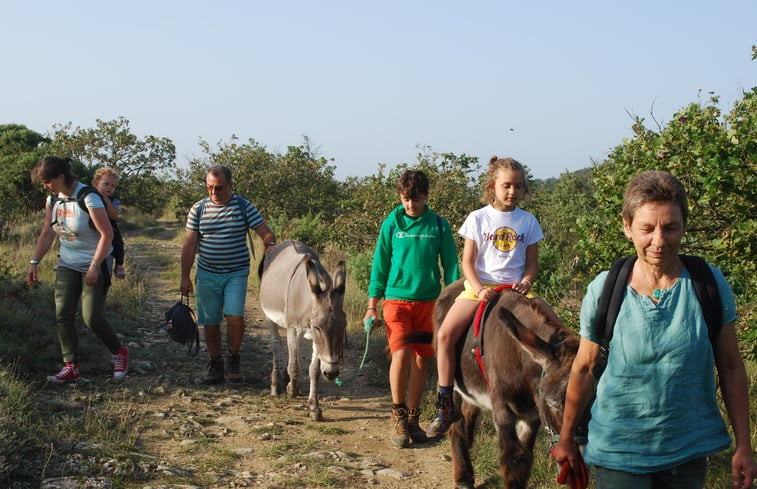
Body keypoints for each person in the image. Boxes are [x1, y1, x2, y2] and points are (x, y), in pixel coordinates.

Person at [552, 170, 756, 489]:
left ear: (684, 226)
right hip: (618, 453)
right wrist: (566, 437)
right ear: (627, 227)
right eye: (647, 228)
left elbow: (731, 366)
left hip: (687, 453)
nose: (658, 241)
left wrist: (744, 445)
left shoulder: (709, 284)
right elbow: (585, 367)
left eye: (670, 228)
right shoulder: (605, 289)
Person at [426, 156, 543, 437]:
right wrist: (479, 289)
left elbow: (532, 265)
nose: (512, 192)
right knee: (444, 336)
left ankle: (554, 401)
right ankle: (444, 403)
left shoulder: (528, 221)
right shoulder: (477, 218)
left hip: (516, 290)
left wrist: (527, 281)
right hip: (480, 288)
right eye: (506, 186)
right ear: (493, 186)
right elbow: (467, 262)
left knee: (555, 333)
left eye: (517, 186)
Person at [364, 169, 460, 448]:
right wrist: (372, 306)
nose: (410, 205)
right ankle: (398, 414)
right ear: (400, 197)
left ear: (426, 197)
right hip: (396, 302)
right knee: (402, 354)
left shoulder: (439, 226)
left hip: (430, 305)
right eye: (406, 199)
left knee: (422, 361)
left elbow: (452, 267)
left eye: (416, 199)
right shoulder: (391, 225)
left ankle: (413, 419)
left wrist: (454, 301)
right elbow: (379, 266)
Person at [26, 156, 129, 383]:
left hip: (96, 263)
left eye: (47, 181)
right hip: (67, 263)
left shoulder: (89, 197)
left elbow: (107, 235)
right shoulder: (53, 200)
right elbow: (47, 232)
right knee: (63, 314)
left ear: (61, 177)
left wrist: (94, 266)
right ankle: (70, 365)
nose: (46, 186)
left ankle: (119, 352)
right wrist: (34, 263)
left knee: (91, 317)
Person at [181, 165, 277, 385]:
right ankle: (215, 363)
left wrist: (270, 244)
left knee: (235, 317)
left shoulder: (243, 206)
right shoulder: (198, 209)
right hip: (206, 273)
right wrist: (185, 276)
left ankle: (233, 358)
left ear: (231, 185)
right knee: (210, 322)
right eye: (210, 187)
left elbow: (265, 231)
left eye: (219, 187)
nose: (214, 192)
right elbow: (189, 245)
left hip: (236, 273)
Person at [92, 167, 126, 279]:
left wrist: (105, 199)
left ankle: (119, 265)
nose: (110, 188)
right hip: (92, 226)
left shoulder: (114, 200)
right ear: (96, 184)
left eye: (113, 186)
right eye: (106, 184)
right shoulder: (88, 197)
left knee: (118, 242)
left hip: (110, 225)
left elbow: (113, 215)